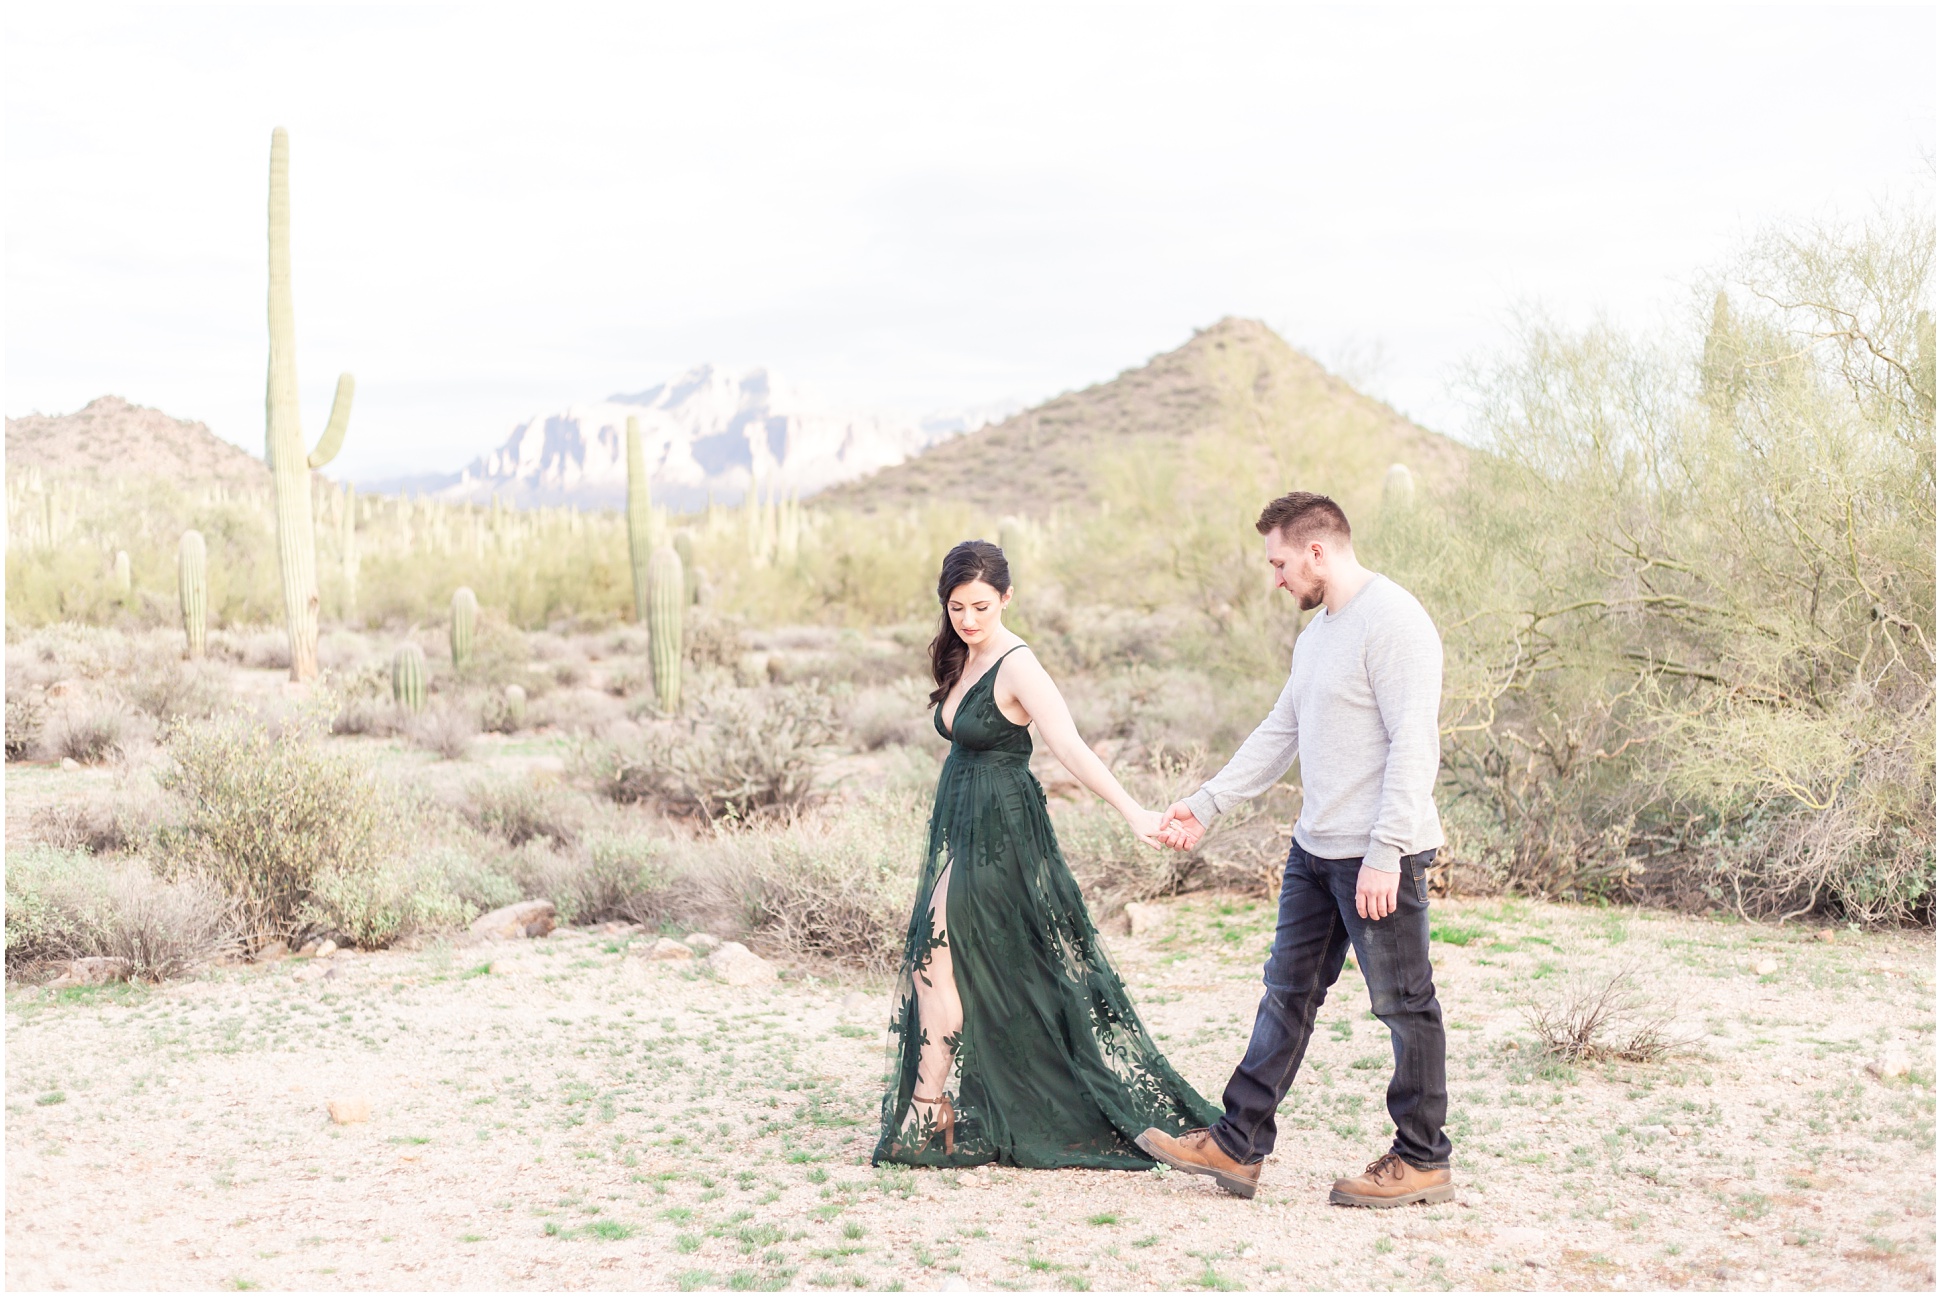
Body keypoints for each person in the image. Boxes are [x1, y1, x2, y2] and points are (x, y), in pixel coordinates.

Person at [1137, 490, 1453, 1208]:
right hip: (1314, 851)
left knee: (1404, 1005)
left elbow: (1414, 741)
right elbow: (1280, 731)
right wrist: (1206, 800)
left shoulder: (1393, 620)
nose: (1275, 578)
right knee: (1286, 994)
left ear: (1317, 550)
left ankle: (1423, 1157)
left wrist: (1385, 849)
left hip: (1378, 855)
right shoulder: (1317, 634)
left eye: (1280, 562)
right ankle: (1236, 1143)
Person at [872, 539, 1219, 1169]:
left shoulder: (1017, 665)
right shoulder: (963, 655)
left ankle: (929, 1108)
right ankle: (935, 1107)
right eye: (956, 607)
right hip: (962, 821)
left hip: (1001, 830)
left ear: (1007, 598)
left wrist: (1134, 811)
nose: (969, 619)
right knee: (947, 964)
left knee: (934, 958)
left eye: (981, 605)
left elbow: (1071, 746)